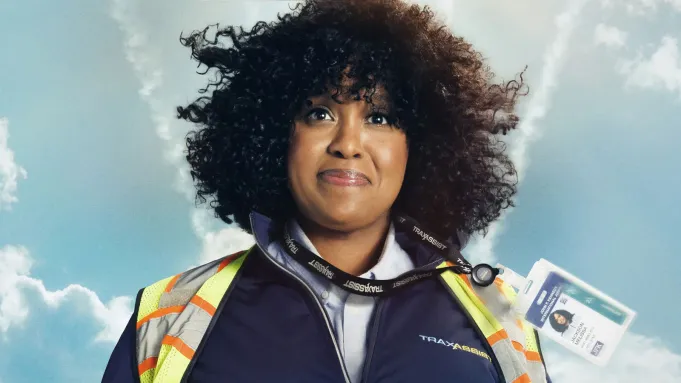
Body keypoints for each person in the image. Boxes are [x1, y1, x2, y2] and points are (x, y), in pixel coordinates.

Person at [103, 0, 552, 382]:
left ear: (420, 145)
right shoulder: (172, 313)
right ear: (277, 133)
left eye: (379, 118)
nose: (347, 145)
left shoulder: (500, 314)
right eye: (319, 113)